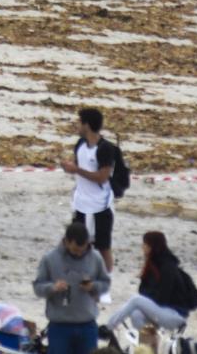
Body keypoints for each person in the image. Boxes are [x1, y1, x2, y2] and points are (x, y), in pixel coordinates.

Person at [99, 232, 197, 351]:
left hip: (174, 314)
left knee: (136, 300)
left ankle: (109, 327)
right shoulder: (153, 264)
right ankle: (147, 349)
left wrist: (147, 297)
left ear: (153, 247)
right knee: (136, 314)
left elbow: (162, 298)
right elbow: (143, 290)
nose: (142, 247)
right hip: (161, 310)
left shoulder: (167, 267)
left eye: (145, 244)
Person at [35, 221, 111, 354]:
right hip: (59, 327)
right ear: (67, 241)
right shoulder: (50, 259)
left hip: (87, 326)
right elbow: (38, 287)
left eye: (83, 250)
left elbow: (106, 283)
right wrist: (53, 287)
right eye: (75, 250)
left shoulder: (96, 257)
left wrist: (93, 286)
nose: (79, 254)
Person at [64, 108, 123, 272]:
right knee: (77, 242)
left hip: (100, 204)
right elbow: (78, 166)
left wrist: (76, 170)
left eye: (79, 122)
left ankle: (105, 284)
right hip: (81, 203)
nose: (77, 126)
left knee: (103, 246)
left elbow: (102, 177)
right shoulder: (80, 145)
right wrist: (72, 169)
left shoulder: (105, 149)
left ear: (87, 125)